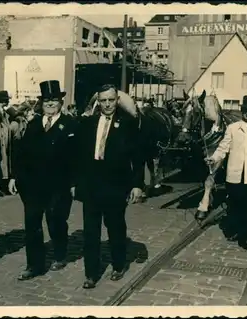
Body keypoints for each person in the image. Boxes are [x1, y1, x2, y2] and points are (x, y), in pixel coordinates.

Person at [73, 84, 145, 289]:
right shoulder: (88, 123)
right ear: (98, 101)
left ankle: (119, 264)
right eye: (103, 101)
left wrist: (137, 185)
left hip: (116, 185)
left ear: (117, 100)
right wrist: (76, 182)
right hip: (92, 185)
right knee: (91, 231)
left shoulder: (128, 123)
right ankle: (91, 273)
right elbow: (78, 155)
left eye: (111, 100)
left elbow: (138, 157)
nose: (107, 105)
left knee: (115, 227)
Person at [8, 80, 78, 280]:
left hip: (60, 185)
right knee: (32, 224)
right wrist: (14, 176)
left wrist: (75, 183)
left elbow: (77, 157)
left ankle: (59, 253)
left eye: (54, 100)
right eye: (46, 100)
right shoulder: (33, 124)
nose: (50, 104)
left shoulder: (71, 124)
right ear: (41, 102)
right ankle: (34, 265)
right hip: (33, 185)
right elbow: (21, 153)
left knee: (56, 219)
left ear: (61, 102)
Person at [205, 96, 247, 250]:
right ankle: (235, 231)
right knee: (234, 205)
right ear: (242, 111)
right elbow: (223, 147)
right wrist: (214, 158)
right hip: (234, 175)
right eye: (245, 110)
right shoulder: (233, 128)